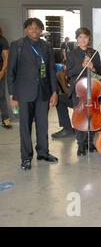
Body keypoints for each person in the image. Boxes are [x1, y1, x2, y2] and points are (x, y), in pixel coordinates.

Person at [7, 18, 59, 170]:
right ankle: (26, 157)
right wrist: (13, 95)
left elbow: (50, 70)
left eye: (37, 28)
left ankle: (43, 153)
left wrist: (54, 92)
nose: (34, 30)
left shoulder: (47, 46)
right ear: (25, 30)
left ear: (42, 30)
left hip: (43, 92)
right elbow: (11, 72)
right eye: (30, 28)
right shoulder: (17, 45)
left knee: (43, 125)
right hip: (23, 93)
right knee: (25, 127)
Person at [66, 28, 101, 156]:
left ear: (89, 39)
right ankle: (81, 144)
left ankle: (90, 141)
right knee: (79, 116)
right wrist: (81, 66)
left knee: (92, 115)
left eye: (85, 37)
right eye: (80, 37)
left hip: (92, 89)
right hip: (78, 90)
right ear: (77, 39)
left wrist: (93, 67)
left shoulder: (94, 53)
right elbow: (69, 73)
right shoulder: (71, 54)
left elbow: (100, 71)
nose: (83, 40)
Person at [0, 26, 12, 129]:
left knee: (1, 97)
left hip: (0, 72)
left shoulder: (2, 40)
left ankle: (5, 120)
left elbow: (6, 57)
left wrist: (2, 71)